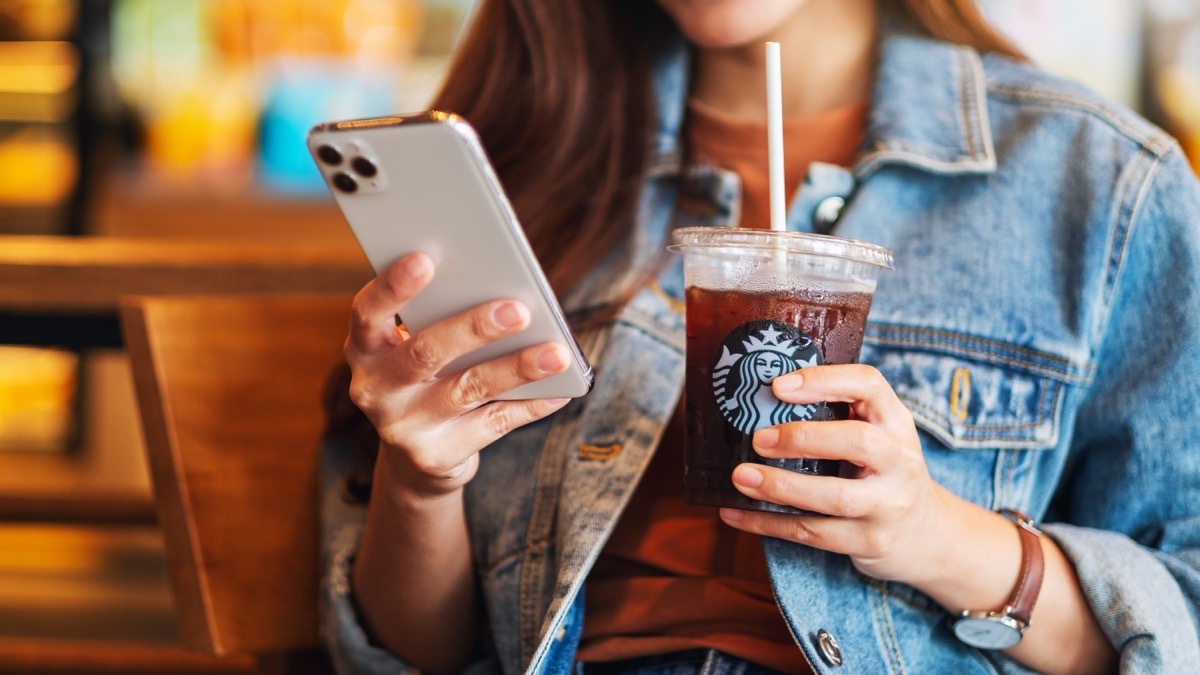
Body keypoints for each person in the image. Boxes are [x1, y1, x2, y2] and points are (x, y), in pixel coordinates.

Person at [318, 0, 1200, 673]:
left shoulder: (1105, 184)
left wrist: (939, 540)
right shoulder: (532, 158)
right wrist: (422, 479)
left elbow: (1181, 617)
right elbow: (412, 654)